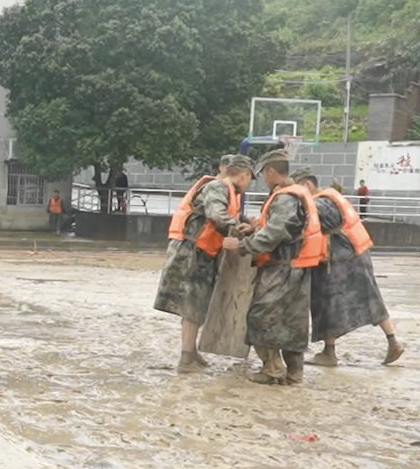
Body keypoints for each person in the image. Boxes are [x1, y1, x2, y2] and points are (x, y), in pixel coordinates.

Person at [222, 149, 326, 385]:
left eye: (264, 174)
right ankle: (294, 372)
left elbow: (275, 233)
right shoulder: (292, 195)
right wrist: (255, 228)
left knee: (259, 316)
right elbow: (280, 227)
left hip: (283, 269)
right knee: (293, 321)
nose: (263, 179)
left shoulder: (286, 198)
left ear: (270, 172)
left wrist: (242, 245)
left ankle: (273, 369)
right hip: (296, 267)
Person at [291, 168, 404, 366]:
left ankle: (329, 352)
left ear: (307, 186)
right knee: (371, 299)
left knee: (325, 302)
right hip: (357, 255)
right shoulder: (331, 197)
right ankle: (392, 340)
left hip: (340, 260)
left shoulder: (318, 204)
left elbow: (298, 225)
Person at [154, 155, 255, 373]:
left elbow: (228, 213)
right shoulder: (218, 187)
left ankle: (190, 350)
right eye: (250, 180)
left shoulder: (223, 190)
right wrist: (241, 229)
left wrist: (247, 223)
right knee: (193, 303)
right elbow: (217, 215)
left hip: (198, 249)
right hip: (193, 251)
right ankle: (186, 359)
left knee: (197, 303)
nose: (249, 185)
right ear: (243, 175)